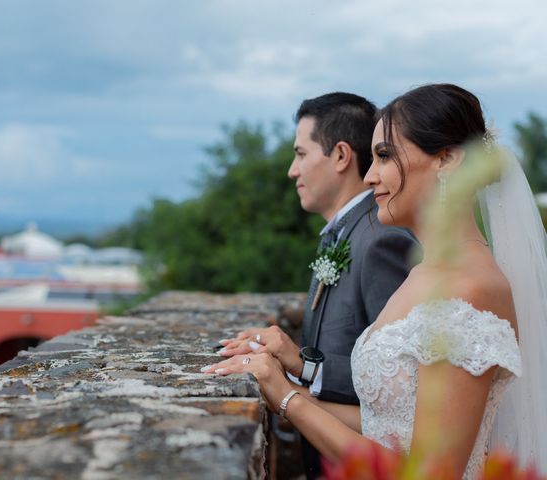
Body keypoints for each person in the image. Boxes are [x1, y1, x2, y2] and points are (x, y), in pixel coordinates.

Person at [204, 83, 547, 478]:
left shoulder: (469, 290)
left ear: (447, 159)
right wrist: (282, 385)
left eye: (384, 156)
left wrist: (287, 401)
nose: (368, 177)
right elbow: (388, 429)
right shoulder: (424, 274)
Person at [212, 92, 416, 478]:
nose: (292, 170)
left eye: (301, 154)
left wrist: (302, 374)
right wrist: (291, 362)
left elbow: (399, 386)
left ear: (340, 156)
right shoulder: (343, 234)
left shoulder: (380, 241)